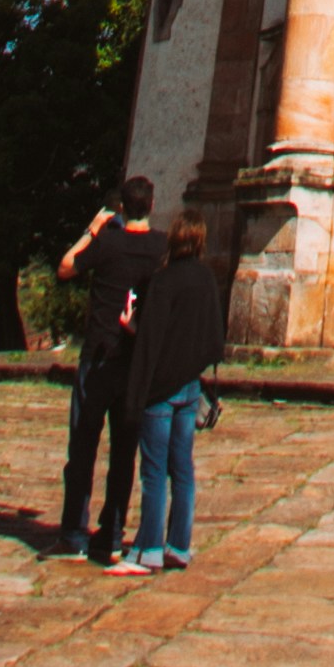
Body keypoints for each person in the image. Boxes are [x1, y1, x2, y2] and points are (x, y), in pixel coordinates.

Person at [107, 216, 226, 575]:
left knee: (155, 471)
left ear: (173, 240)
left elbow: (151, 340)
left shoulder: (163, 281)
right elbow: (213, 338)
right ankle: (179, 546)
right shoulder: (207, 279)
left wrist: (131, 327)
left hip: (160, 391)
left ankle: (148, 550)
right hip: (190, 387)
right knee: (182, 468)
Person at [55, 174, 160, 561]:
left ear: (121, 208)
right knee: (124, 451)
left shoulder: (108, 243)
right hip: (133, 360)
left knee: (83, 446)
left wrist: (91, 230)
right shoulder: (161, 247)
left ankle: (74, 533)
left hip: (99, 355)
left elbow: (66, 267)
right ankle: (112, 533)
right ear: (151, 205)